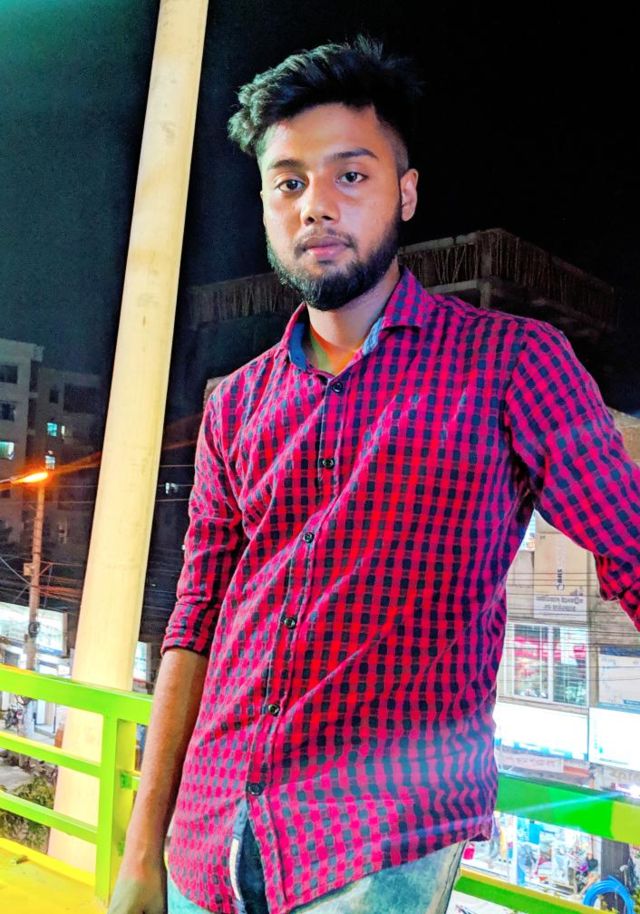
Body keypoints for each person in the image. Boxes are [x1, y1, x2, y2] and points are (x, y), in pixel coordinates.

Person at [108, 35, 640, 914]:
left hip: (373, 848)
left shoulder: (511, 365)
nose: (316, 205)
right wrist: (141, 853)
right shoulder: (236, 403)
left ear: (407, 192)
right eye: (288, 183)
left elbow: (629, 547)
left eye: (350, 175)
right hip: (206, 836)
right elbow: (194, 623)